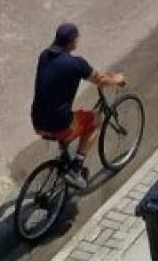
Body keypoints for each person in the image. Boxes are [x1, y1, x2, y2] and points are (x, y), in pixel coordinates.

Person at [31, 23, 125, 191]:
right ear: (73, 41)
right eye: (77, 38)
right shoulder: (76, 64)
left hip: (37, 122)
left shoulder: (44, 55)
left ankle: (64, 158)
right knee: (95, 119)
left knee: (66, 112)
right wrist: (117, 79)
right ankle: (76, 168)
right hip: (60, 125)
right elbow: (101, 81)